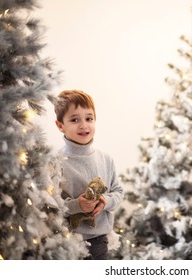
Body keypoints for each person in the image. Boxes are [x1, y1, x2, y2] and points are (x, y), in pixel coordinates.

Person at [53, 89, 123, 259]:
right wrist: (78, 205)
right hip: (69, 241)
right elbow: (53, 205)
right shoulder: (56, 162)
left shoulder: (105, 159)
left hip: (99, 241)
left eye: (89, 118)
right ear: (61, 126)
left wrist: (105, 202)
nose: (83, 125)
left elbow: (118, 192)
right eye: (74, 119)